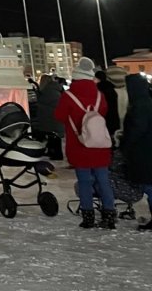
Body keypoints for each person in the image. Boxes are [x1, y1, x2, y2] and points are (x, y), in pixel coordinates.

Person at [56, 57, 116, 228]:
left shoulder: (68, 95)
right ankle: (109, 214)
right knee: (103, 180)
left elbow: (59, 116)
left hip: (80, 144)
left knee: (84, 181)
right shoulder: (99, 95)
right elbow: (103, 112)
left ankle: (88, 216)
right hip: (99, 144)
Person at [119, 73, 152, 230]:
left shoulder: (140, 105)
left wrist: (126, 143)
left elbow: (138, 129)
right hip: (146, 149)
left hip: (144, 151)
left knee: (149, 186)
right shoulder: (146, 101)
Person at [32, 74, 65, 160]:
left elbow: (43, 102)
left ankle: (56, 154)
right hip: (53, 118)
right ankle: (52, 152)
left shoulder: (48, 91)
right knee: (53, 136)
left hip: (51, 118)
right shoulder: (53, 89)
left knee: (54, 136)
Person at [95, 70, 123, 139]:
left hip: (103, 115)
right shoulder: (112, 87)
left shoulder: (97, 89)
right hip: (114, 114)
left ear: (97, 78)